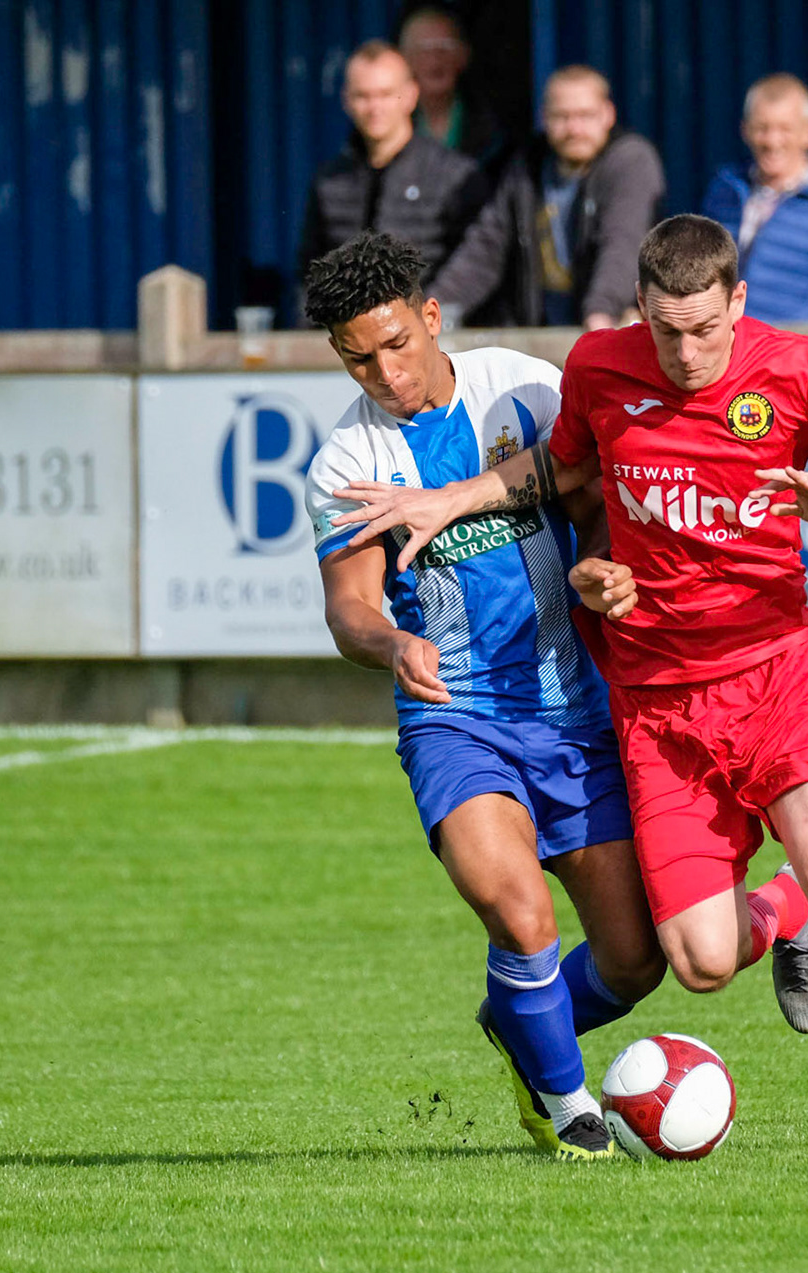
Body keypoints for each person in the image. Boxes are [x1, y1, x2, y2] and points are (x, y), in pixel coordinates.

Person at [335, 214, 808, 1147]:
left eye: (706, 329)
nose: (687, 351)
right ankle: (780, 907)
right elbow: (556, 475)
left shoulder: (796, 369)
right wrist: (578, 567)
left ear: (738, 303)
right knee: (701, 962)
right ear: (641, 307)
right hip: (658, 706)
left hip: (777, 675)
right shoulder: (599, 368)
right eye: (668, 330)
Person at [300, 230, 664, 1159]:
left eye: (395, 344)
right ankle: (572, 1108)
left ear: (431, 317)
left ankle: (521, 1031)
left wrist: (599, 570)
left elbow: (589, 503)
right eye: (357, 358)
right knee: (519, 912)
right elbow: (348, 606)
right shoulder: (346, 464)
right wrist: (390, 643)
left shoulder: (525, 389)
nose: (382, 372)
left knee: (634, 960)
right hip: (455, 720)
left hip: (572, 712)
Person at [430, 66, 665, 329]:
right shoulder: (527, 166)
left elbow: (622, 243)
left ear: (608, 115)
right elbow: (484, 249)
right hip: (542, 332)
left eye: (585, 115)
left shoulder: (630, 161)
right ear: (544, 117)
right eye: (562, 116)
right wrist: (434, 310)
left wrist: (600, 316)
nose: (574, 128)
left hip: (607, 328)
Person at [294, 42, 489, 304]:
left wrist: (421, 321)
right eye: (363, 96)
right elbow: (311, 267)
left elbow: (477, 263)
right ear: (346, 100)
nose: (375, 107)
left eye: (386, 94)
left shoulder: (454, 175)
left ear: (410, 95)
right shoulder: (330, 181)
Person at [699, 75, 808, 323]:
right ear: (745, 130)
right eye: (762, 128)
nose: (772, 141)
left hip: (793, 352)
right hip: (725, 349)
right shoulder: (725, 191)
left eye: (785, 129)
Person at [397, 4, 509, 174]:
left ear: (464, 56)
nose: (435, 60)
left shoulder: (493, 128)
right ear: (403, 59)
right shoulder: (387, 124)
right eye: (423, 49)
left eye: (444, 48)